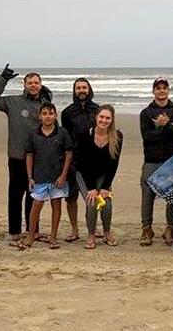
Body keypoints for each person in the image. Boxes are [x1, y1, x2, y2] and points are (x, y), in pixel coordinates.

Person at [0, 64, 52, 243]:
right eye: (30, 82)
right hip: (17, 156)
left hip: (39, 159)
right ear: (24, 84)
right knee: (15, 195)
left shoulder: (45, 105)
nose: (33, 85)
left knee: (35, 196)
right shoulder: (13, 102)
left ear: (40, 84)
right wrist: (3, 79)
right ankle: (14, 231)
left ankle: (33, 231)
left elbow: (53, 128)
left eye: (36, 82)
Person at [139, 76, 173, 246]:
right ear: (153, 91)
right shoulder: (146, 113)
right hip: (151, 160)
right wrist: (166, 128)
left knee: (171, 195)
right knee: (147, 194)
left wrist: (166, 124)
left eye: (164, 87)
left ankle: (170, 228)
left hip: (171, 161)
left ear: (168, 90)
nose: (161, 90)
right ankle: (146, 229)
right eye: (158, 88)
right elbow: (147, 137)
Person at [19, 102, 73, 250]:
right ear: (39, 116)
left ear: (55, 115)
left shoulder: (62, 133)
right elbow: (29, 155)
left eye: (50, 113)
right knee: (36, 206)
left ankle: (53, 237)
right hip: (39, 177)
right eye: (44, 114)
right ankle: (30, 236)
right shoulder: (33, 133)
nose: (47, 116)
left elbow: (69, 154)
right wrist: (30, 176)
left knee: (56, 206)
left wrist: (63, 175)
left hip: (57, 178)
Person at [74, 105, 123, 249]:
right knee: (92, 202)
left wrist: (104, 187)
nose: (104, 120)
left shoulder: (117, 136)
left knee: (106, 202)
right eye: (101, 117)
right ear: (96, 117)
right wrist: (91, 188)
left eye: (108, 118)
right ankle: (91, 235)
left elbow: (114, 164)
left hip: (104, 175)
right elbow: (82, 164)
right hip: (83, 174)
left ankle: (107, 233)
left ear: (112, 120)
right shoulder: (85, 135)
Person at [60, 77, 100, 243]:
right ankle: (74, 229)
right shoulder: (67, 112)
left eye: (84, 87)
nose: (81, 90)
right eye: (78, 88)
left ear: (89, 90)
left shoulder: (97, 109)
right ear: (74, 91)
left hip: (93, 159)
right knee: (71, 197)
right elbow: (66, 138)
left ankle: (93, 227)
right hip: (73, 159)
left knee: (93, 196)